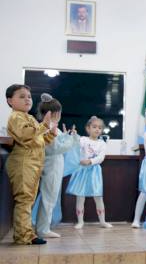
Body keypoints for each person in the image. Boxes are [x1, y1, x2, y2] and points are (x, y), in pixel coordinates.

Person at [5, 84, 57, 245]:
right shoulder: (16, 117)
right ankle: (23, 236)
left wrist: (50, 135)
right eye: (21, 96)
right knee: (24, 199)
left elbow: (38, 141)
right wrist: (44, 126)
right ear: (10, 101)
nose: (27, 99)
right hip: (23, 162)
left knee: (28, 199)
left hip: (32, 164)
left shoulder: (29, 118)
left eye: (29, 96)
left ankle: (27, 234)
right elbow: (26, 135)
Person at [34, 93, 79, 238]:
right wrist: (71, 140)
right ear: (54, 113)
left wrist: (67, 137)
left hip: (54, 165)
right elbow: (54, 148)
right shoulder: (48, 127)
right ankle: (43, 229)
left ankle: (44, 227)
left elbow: (58, 143)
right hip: (51, 166)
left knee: (51, 197)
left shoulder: (51, 126)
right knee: (49, 197)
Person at [66, 116, 112, 229]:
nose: (97, 129)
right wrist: (74, 136)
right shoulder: (83, 140)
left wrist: (90, 161)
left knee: (98, 196)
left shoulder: (102, 143)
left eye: (100, 127)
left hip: (94, 172)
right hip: (81, 171)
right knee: (80, 196)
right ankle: (80, 222)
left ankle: (102, 221)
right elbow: (75, 145)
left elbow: (101, 157)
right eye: (94, 127)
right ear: (88, 128)